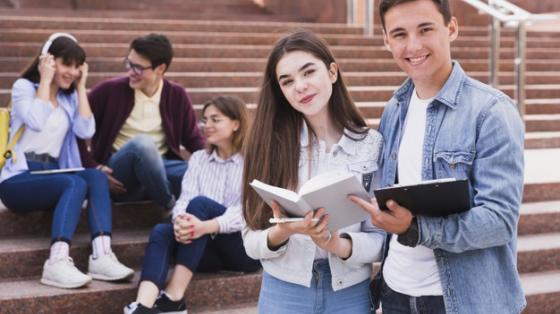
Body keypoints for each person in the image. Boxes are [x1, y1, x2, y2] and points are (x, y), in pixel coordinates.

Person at [349, 1, 526, 313]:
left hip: (461, 301)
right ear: (387, 40)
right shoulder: (394, 109)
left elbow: (499, 221)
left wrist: (416, 229)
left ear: (451, 28)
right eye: (400, 34)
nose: (413, 45)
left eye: (425, 29)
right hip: (395, 293)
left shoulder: (491, 112)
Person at [242, 30, 385, 314]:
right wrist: (283, 231)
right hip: (284, 289)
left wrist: (335, 243)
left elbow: (382, 239)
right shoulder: (268, 146)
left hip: (349, 291)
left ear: (332, 72)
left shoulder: (371, 145)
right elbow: (250, 240)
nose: (300, 86)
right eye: (288, 81)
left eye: (308, 72)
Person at [0, 33, 133, 289]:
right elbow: (35, 121)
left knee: (94, 177)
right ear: (48, 61)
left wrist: (82, 87)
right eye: (66, 64)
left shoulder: (68, 98)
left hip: (52, 174)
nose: (71, 71)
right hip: (18, 180)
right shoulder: (24, 88)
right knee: (73, 184)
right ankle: (56, 262)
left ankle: (101, 255)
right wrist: (46, 80)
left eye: (76, 66)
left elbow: (86, 131)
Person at [124, 96, 260, 314]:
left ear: (236, 124)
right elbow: (184, 200)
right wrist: (179, 221)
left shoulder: (254, 161)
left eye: (215, 119)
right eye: (205, 120)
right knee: (162, 230)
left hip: (241, 250)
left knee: (201, 205)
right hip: (205, 250)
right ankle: (143, 305)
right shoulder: (198, 158)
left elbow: (249, 212)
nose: (207, 126)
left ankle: (174, 297)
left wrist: (206, 226)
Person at [78, 33, 204, 213]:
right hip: (120, 173)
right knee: (142, 145)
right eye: (129, 63)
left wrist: (215, 163)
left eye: (138, 68)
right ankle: (169, 206)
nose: (130, 71)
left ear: (160, 69)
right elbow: (76, 133)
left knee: (196, 173)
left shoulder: (176, 95)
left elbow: (193, 139)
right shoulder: (107, 91)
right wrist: (94, 168)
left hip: (160, 168)